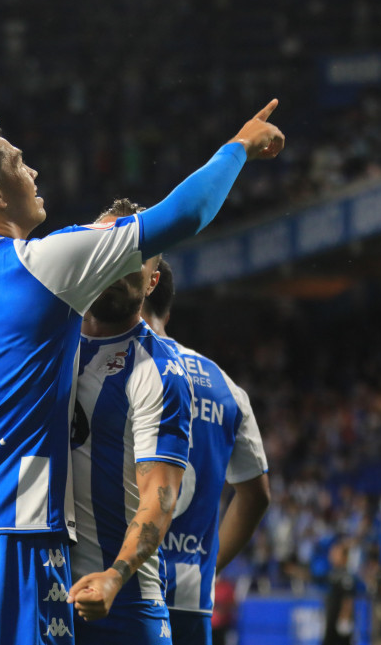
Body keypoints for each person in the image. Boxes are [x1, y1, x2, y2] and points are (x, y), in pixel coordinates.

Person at [0, 101, 284, 644]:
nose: (35, 172)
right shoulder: (43, 262)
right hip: (11, 527)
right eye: (21, 164)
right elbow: (183, 215)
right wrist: (239, 145)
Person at [65, 201, 192, 645]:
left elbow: (161, 496)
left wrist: (114, 578)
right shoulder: (47, 342)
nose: (117, 266)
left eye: (132, 258)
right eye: (108, 251)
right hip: (41, 596)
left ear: (152, 280)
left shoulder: (158, 369)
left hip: (122, 605)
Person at [141, 259, 270, 645]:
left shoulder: (108, 365)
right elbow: (257, 495)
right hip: (190, 599)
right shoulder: (225, 386)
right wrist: (209, 568)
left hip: (119, 590)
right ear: (168, 307)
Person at [322, 539, 357, 645]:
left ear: (344, 557)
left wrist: (345, 619)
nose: (332, 555)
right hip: (331, 620)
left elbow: (348, 599)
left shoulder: (346, 576)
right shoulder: (332, 574)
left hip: (340, 621)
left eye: (336, 553)